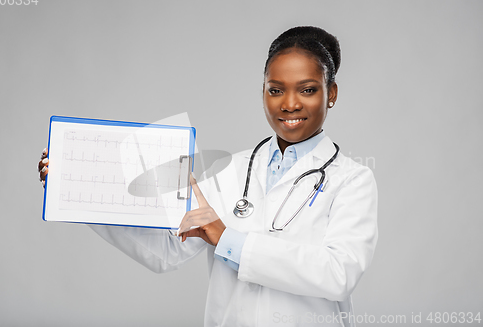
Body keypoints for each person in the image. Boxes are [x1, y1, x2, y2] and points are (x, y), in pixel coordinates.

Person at [38, 26, 378, 326]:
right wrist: (77, 191)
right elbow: (167, 252)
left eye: (307, 89)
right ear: (262, 92)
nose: (289, 104)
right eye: (275, 90)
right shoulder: (232, 170)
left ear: (330, 93)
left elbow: (338, 274)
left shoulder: (352, 179)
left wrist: (227, 238)